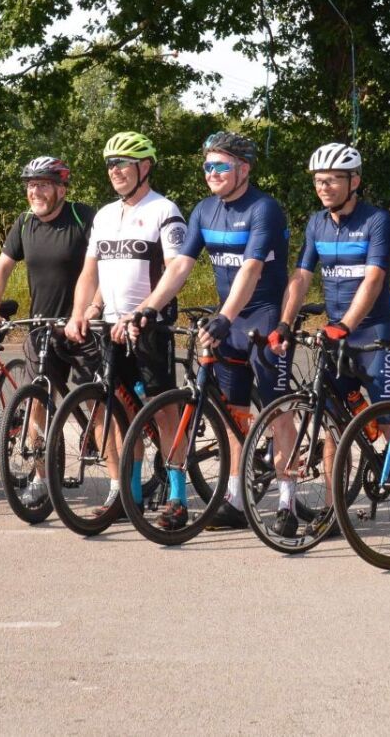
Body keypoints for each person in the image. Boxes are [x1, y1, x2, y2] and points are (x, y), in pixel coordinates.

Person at [137, 131, 291, 530]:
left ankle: (288, 503)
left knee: (277, 410)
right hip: (230, 318)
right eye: (207, 166)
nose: (212, 173)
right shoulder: (205, 210)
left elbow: (252, 269)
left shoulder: (264, 209)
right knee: (231, 412)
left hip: (263, 317)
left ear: (243, 168)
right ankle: (236, 497)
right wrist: (151, 307)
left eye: (221, 165)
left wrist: (225, 316)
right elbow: (181, 266)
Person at [268, 142, 390, 539]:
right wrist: (285, 323)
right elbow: (302, 275)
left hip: (373, 333)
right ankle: (332, 509)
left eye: (332, 180)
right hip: (336, 334)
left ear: (354, 181)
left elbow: (374, 278)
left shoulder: (376, 220)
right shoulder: (317, 223)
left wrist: (347, 323)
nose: (324, 186)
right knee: (333, 424)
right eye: (319, 180)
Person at [65, 133, 187, 524]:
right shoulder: (103, 215)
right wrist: (84, 310)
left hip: (150, 326)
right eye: (110, 164)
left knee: (164, 412)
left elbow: (174, 270)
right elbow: (92, 272)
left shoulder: (164, 210)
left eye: (123, 163)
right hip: (112, 326)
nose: (114, 170)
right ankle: (127, 495)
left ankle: (178, 497)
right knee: (118, 412)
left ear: (144, 167)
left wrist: (147, 312)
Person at [0, 156, 98, 509]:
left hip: (81, 326)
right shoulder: (25, 223)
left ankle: (117, 483)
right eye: (31, 185)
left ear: (61, 189)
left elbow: (102, 268)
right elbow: (2, 267)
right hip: (40, 327)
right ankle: (40, 478)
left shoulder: (84, 218)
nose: (35, 191)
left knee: (94, 400)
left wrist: (90, 311)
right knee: (35, 401)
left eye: (43, 184)